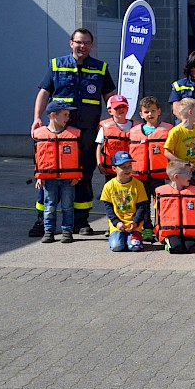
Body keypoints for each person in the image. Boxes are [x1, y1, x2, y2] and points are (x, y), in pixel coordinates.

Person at [31, 28, 115, 237]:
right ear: (71, 43)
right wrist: (36, 119)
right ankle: (42, 222)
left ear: (91, 45)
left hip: (87, 132)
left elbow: (110, 98)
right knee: (49, 172)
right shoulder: (56, 65)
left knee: (83, 174)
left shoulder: (100, 68)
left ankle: (81, 221)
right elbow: (44, 93)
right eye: (78, 42)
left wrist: (114, 122)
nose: (82, 46)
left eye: (86, 42)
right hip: (58, 132)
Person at [33, 100, 82, 244]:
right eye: (65, 114)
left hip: (68, 178)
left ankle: (67, 231)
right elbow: (37, 158)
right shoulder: (40, 135)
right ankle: (49, 231)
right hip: (49, 179)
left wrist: (77, 175)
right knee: (50, 206)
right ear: (53, 115)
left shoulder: (74, 134)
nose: (68, 118)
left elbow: (80, 157)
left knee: (68, 206)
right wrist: (38, 176)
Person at [164, 98, 195, 208]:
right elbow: (167, 152)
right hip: (182, 173)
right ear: (190, 112)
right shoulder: (175, 131)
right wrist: (185, 164)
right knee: (184, 201)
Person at [100, 149, 149, 251]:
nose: (127, 169)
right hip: (118, 225)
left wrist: (135, 222)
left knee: (134, 248)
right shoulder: (109, 186)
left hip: (134, 225)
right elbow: (108, 208)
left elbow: (142, 207)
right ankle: (119, 237)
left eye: (129, 166)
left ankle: (133, 238)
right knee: (117, 247)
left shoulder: (138, 185)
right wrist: (117, 222)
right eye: (123, 167)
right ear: (114, 168)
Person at [128, 96, 172, 206]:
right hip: (140, 175)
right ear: (141, 114)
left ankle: (160, 223)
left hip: (160, 175)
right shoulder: (133, 131)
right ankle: (146, 223)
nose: (150, 114)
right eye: (146, 112)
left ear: (159, 111)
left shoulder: (168, 130)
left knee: (161, 202)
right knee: (143, 203)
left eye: (153, 111)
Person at [154, 162, 195, 254]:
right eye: (188, 174)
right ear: (176, 177)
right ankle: (168, 242)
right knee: (176, 248)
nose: (191, 176)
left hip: (190, 231)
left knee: (192, 248)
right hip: (171, 232)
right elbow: (158, 215)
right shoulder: (162, 193)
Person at [96, 95, 134, 182]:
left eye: (123, 106)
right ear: (110, 111)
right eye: (117, 107)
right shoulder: (105, 126)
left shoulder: (136, 126)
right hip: (112, 169)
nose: (121, 109)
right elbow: (99, 146)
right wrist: (99, 164)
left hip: (129, 168)